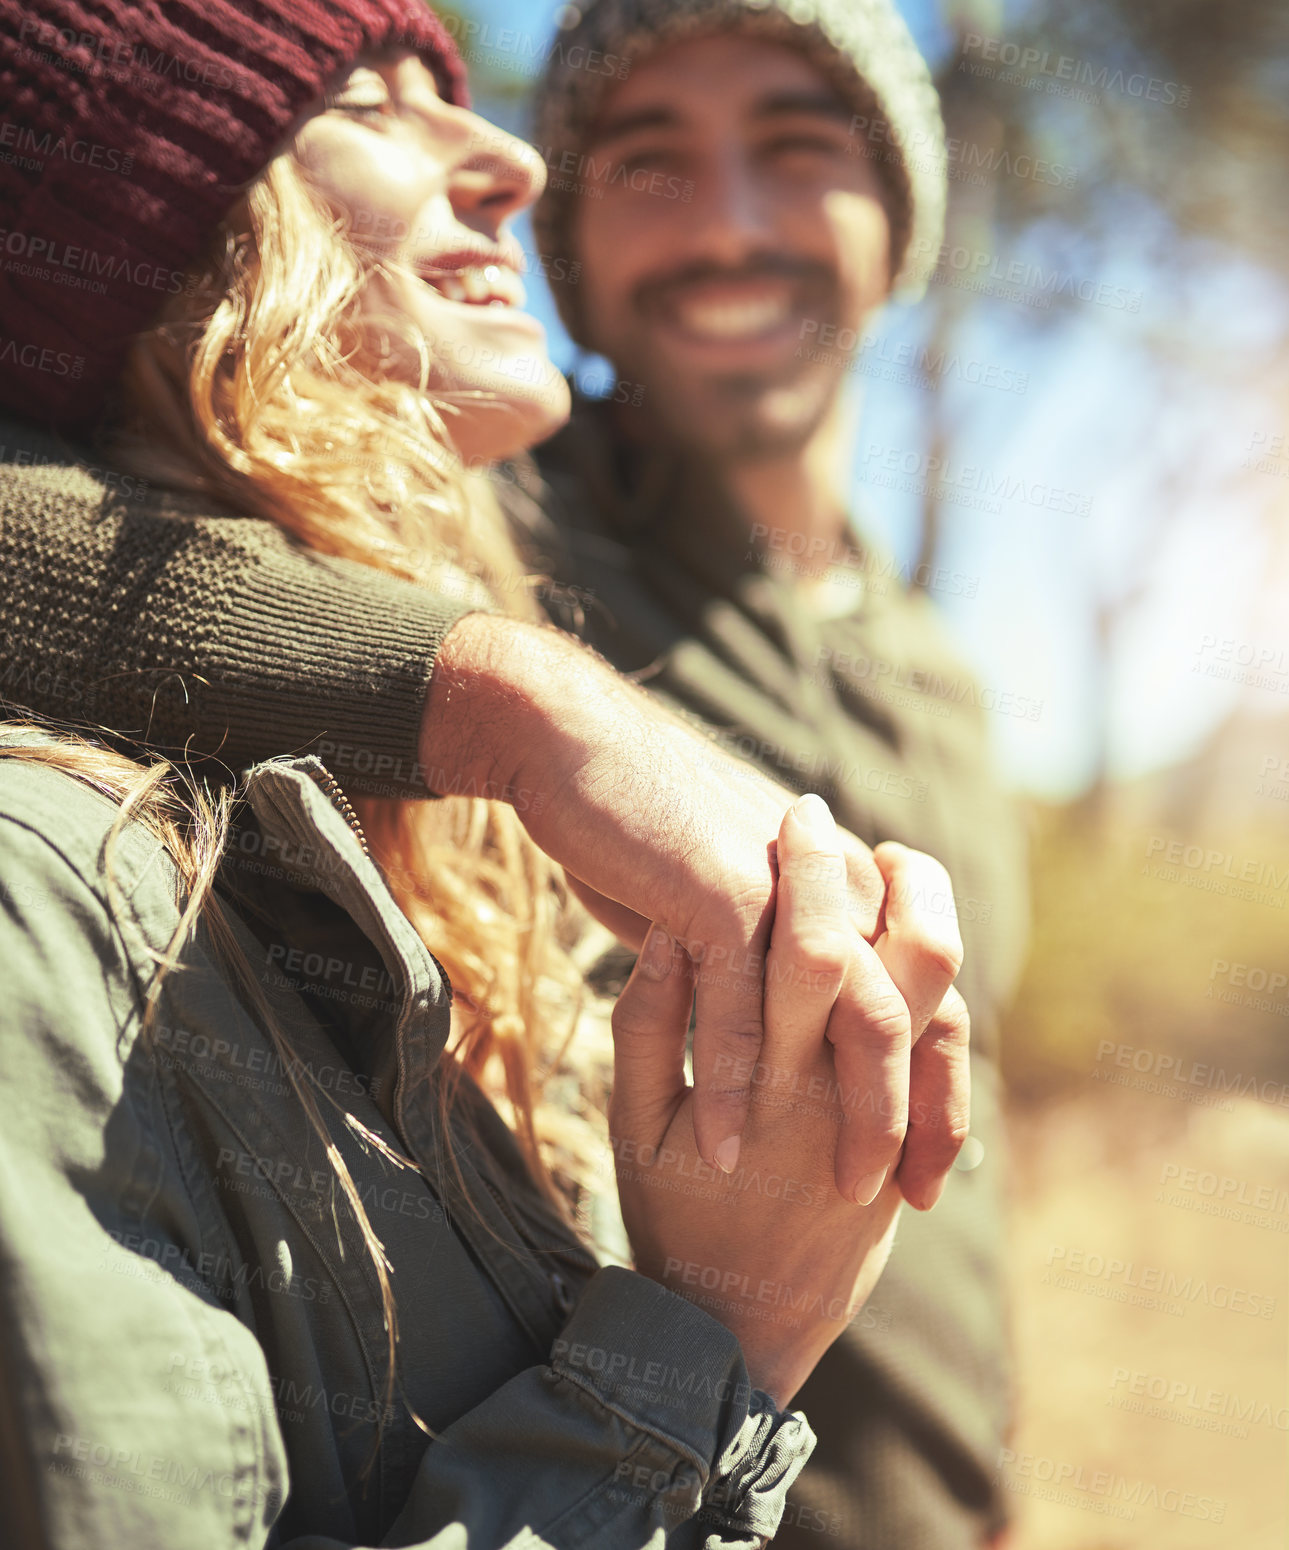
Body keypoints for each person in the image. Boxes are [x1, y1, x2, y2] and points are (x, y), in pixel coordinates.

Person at [0, 3, 971, 1545]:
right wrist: (716, 1335)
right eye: (368, 107)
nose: (505, 151)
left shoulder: (939, 677)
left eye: (797, 150)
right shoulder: (55, 908)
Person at [521, 3, 1029, 1546]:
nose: (729, 227)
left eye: (796, 150)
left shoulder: (941, 671)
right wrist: (494, 697)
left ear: (898, 228)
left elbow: (966, 1163)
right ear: (566, 258)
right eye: (648, 163)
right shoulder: (476, 536)